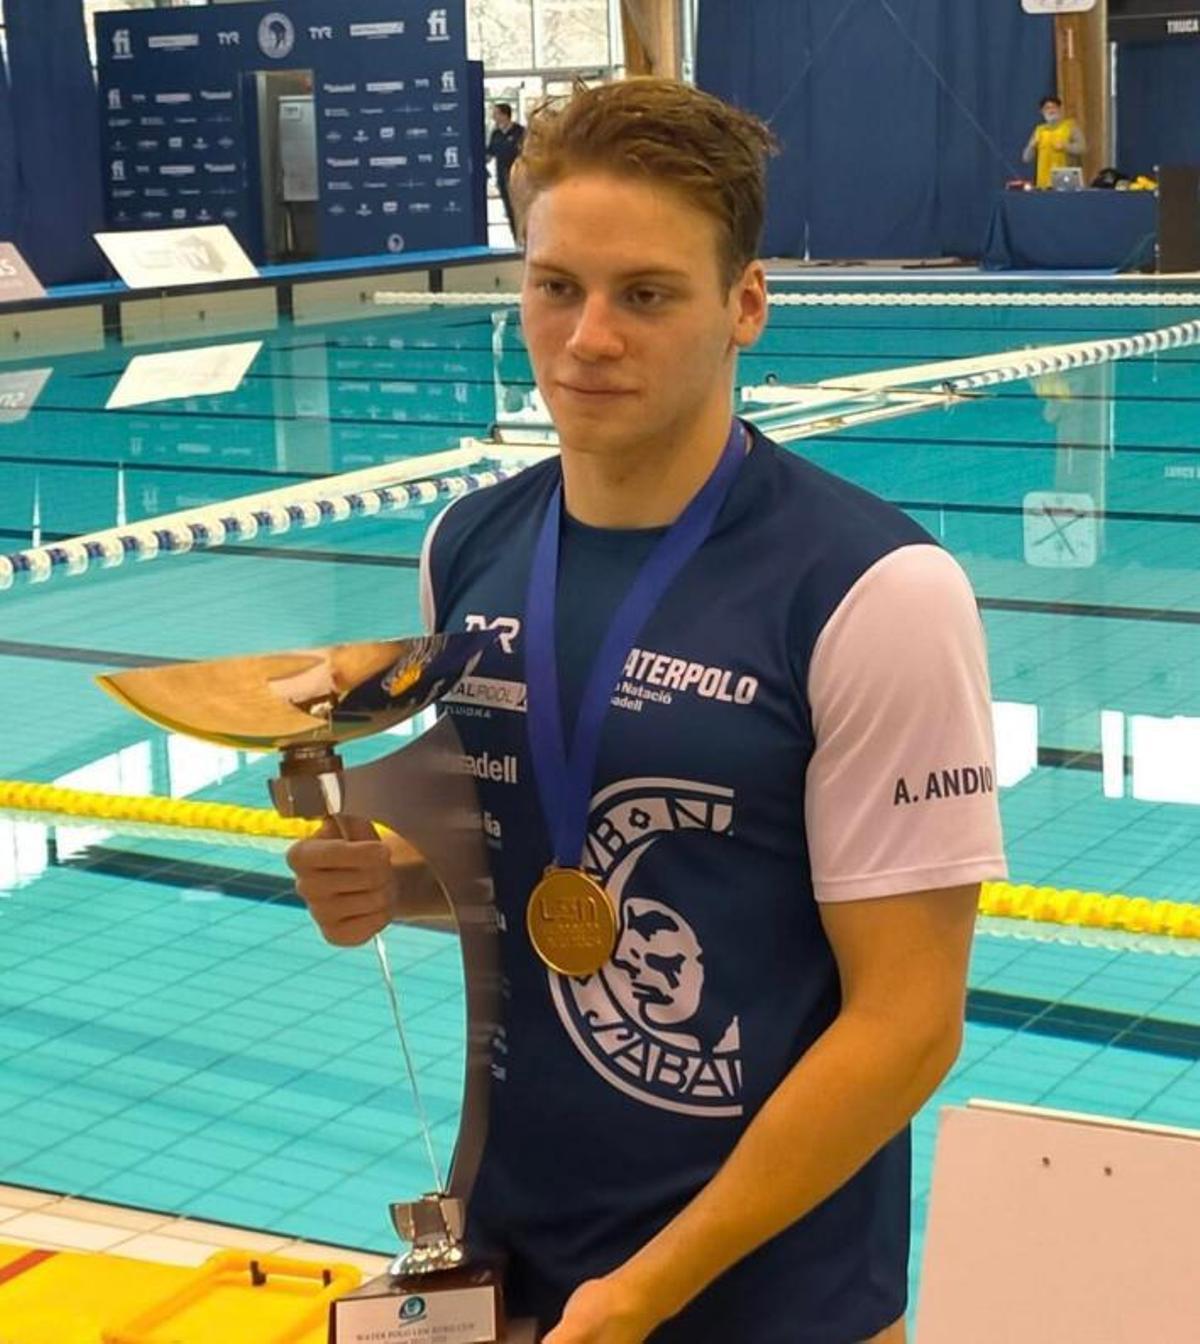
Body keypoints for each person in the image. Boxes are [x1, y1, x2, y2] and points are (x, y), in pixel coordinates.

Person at [288, 77, 1007, 1344]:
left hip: (773, 1291)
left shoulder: (873, 592)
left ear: (746, 305)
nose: (589, 337)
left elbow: (908, 1025)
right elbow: (528, 866)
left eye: (647, 294)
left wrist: (645, 1293)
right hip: (514, 1257)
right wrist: (389, 883)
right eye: (556, 286)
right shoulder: (470, 549)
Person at [1023, 95, 1086, 189]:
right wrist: (1031, 146)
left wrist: (1066, 146)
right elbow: (1026, 158)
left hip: (1066, 180)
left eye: (1054, 107)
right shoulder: (1039, 130)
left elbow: (1082, 148)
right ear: (1042, 112)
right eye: (1047, 108)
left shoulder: (1071, 127)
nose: (1051, 110)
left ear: (1060, 109)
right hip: (1043, 183)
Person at [487, 101, 526, 240]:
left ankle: (525, 236)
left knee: (521, 208)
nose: (493, 117)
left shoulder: (520, 132)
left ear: (505, 115)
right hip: (503, 177)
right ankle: (516, 238)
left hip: (520, 177)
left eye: (496, 113)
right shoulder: (496, 134)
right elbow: (490, 153)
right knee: (509, 208)